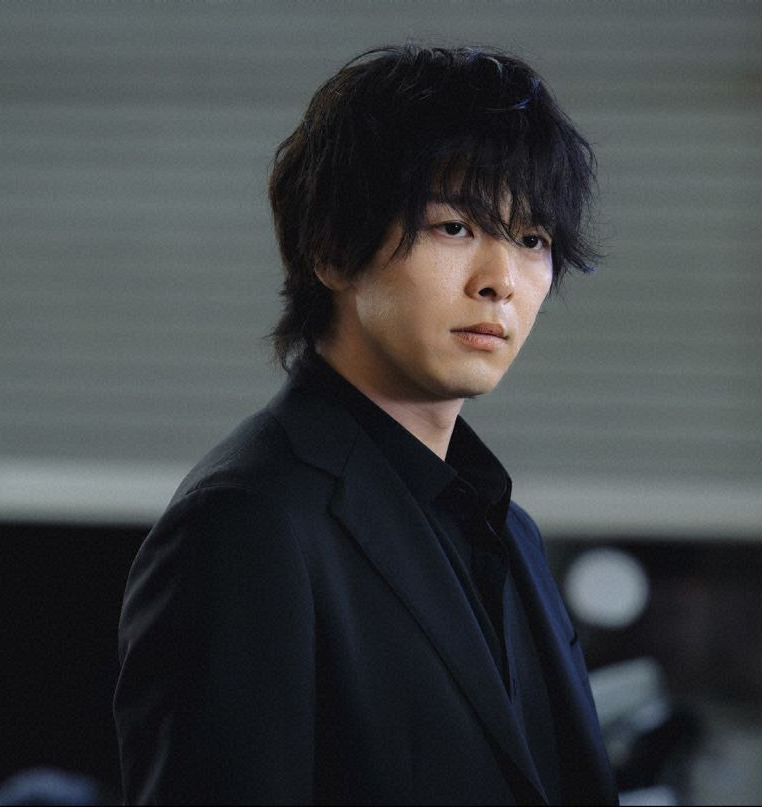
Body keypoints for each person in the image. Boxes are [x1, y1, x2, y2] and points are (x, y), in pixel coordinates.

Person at [114, 43, 617, 805]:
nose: (501, 282)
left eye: (532, 239)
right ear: (331, 248)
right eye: (455, 227)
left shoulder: (509, 531)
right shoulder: (247, 522)